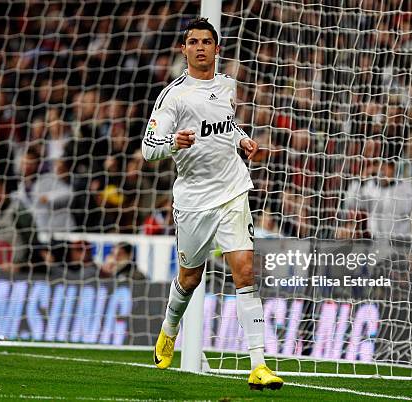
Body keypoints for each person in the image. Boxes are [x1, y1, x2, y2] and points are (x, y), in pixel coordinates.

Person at [142, 18, 283, 390]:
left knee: (245, 271)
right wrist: (174, 142)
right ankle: (170, 328)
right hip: (193, 200)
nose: (200, 47)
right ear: (183, 49)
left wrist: (243, 142)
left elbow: (227, 127)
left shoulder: (227, 86)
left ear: (217, 49)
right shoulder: (174, 96)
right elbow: (147, 149)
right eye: (193, 42)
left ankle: (258, 364)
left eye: (207, 41)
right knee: (189, 278)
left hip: (233, 190)